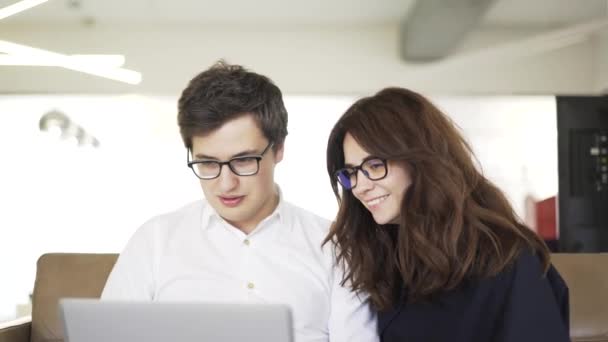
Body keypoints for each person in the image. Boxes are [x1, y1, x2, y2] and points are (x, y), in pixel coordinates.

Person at [101, 61, 379, 342]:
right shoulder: (155, 241)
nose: (226, 184)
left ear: (279, 148)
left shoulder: (336, 245)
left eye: (244, 160)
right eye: (208, 163)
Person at [324, 87, 570, 342]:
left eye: (375, 166)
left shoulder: (504, 258)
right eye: (351, 173)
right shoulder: (378, 258)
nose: (360, 186)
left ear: (421, 160)